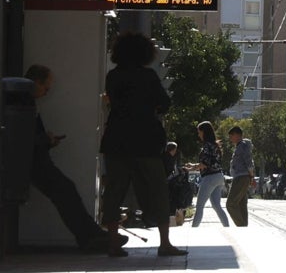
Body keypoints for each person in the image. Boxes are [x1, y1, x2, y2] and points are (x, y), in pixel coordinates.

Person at [98, 31, 187, 257]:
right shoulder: (147, 76)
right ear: (144, 53)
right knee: (157, 190)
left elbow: (113, 102)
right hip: (145, 141)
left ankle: (111, 243)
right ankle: (164, 243)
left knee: (114, 192)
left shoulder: (113, 76)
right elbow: (164, 103)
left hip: (116, 140)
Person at [25, 65, 120, 253]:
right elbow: (21, 137)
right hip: (33, 161)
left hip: (34, 159)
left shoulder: (25, 101)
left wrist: (46, 140)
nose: (47, 92)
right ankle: (90, 236)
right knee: (65, 190)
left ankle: (91, 235)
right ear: (37, 82)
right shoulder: (24, 102)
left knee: (65, 190)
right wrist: (45, 139)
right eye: (46, 88)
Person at [188, 121, 230, 227]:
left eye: (199, 132)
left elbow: (205, 164)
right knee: (217, 206)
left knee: (199, 206)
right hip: (219, 177)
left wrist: (192, 167)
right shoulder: (215, 145)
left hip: (209, 178)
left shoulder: (206, 145)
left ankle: (193, 229)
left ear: (204, 132)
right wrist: (194, 165)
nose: (198, 135)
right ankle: (228, 227)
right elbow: (211, 162)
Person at [226, 126, 254, 227]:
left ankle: (242, 227)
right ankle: (244, 227)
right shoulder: (240, 146)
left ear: (237, 135)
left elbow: (248, 160)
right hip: (241, 177)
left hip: (241, 177)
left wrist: (251, 176)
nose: (230, 139)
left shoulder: (242, 145)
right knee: (241, 205)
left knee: (230, 204)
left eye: (231, 136)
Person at [163, 141, 191, 227]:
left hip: (171, 185)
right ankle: (173, 221)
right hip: (170, 185)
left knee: (173, 203)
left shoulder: (170, 158)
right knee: (174, 202)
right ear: (173, 149)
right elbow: (171, 173)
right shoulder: (168, 159)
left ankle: (173, 220)